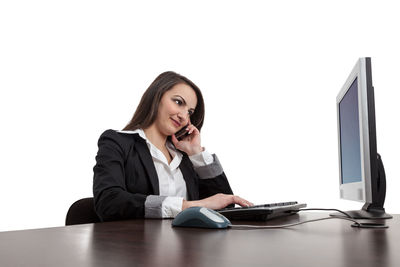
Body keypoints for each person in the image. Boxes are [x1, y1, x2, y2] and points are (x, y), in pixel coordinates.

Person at [93, 71, 253, 221]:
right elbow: (108, 202)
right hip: (138, 247)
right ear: (156, 97)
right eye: (178, 102)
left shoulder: (184, 157)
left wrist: (196, 153)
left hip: (189, 247)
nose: (184, 116)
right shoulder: (117, 142)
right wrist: (189, 206)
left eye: (190, 112)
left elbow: (225, 206)